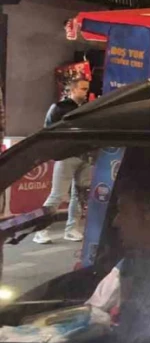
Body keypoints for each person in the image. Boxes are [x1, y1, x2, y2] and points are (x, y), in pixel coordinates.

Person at [32, 77, 91, 244]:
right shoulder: (58, 108)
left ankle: (72, 229)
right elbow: (49, 130)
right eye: (83, 89)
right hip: (66, 156)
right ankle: (41, 230)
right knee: (57, 195)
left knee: (79, 194)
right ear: (72, 90)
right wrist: (57, 150)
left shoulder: (89, 108)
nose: (86, 92)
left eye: (87, 88)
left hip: (85, 155)